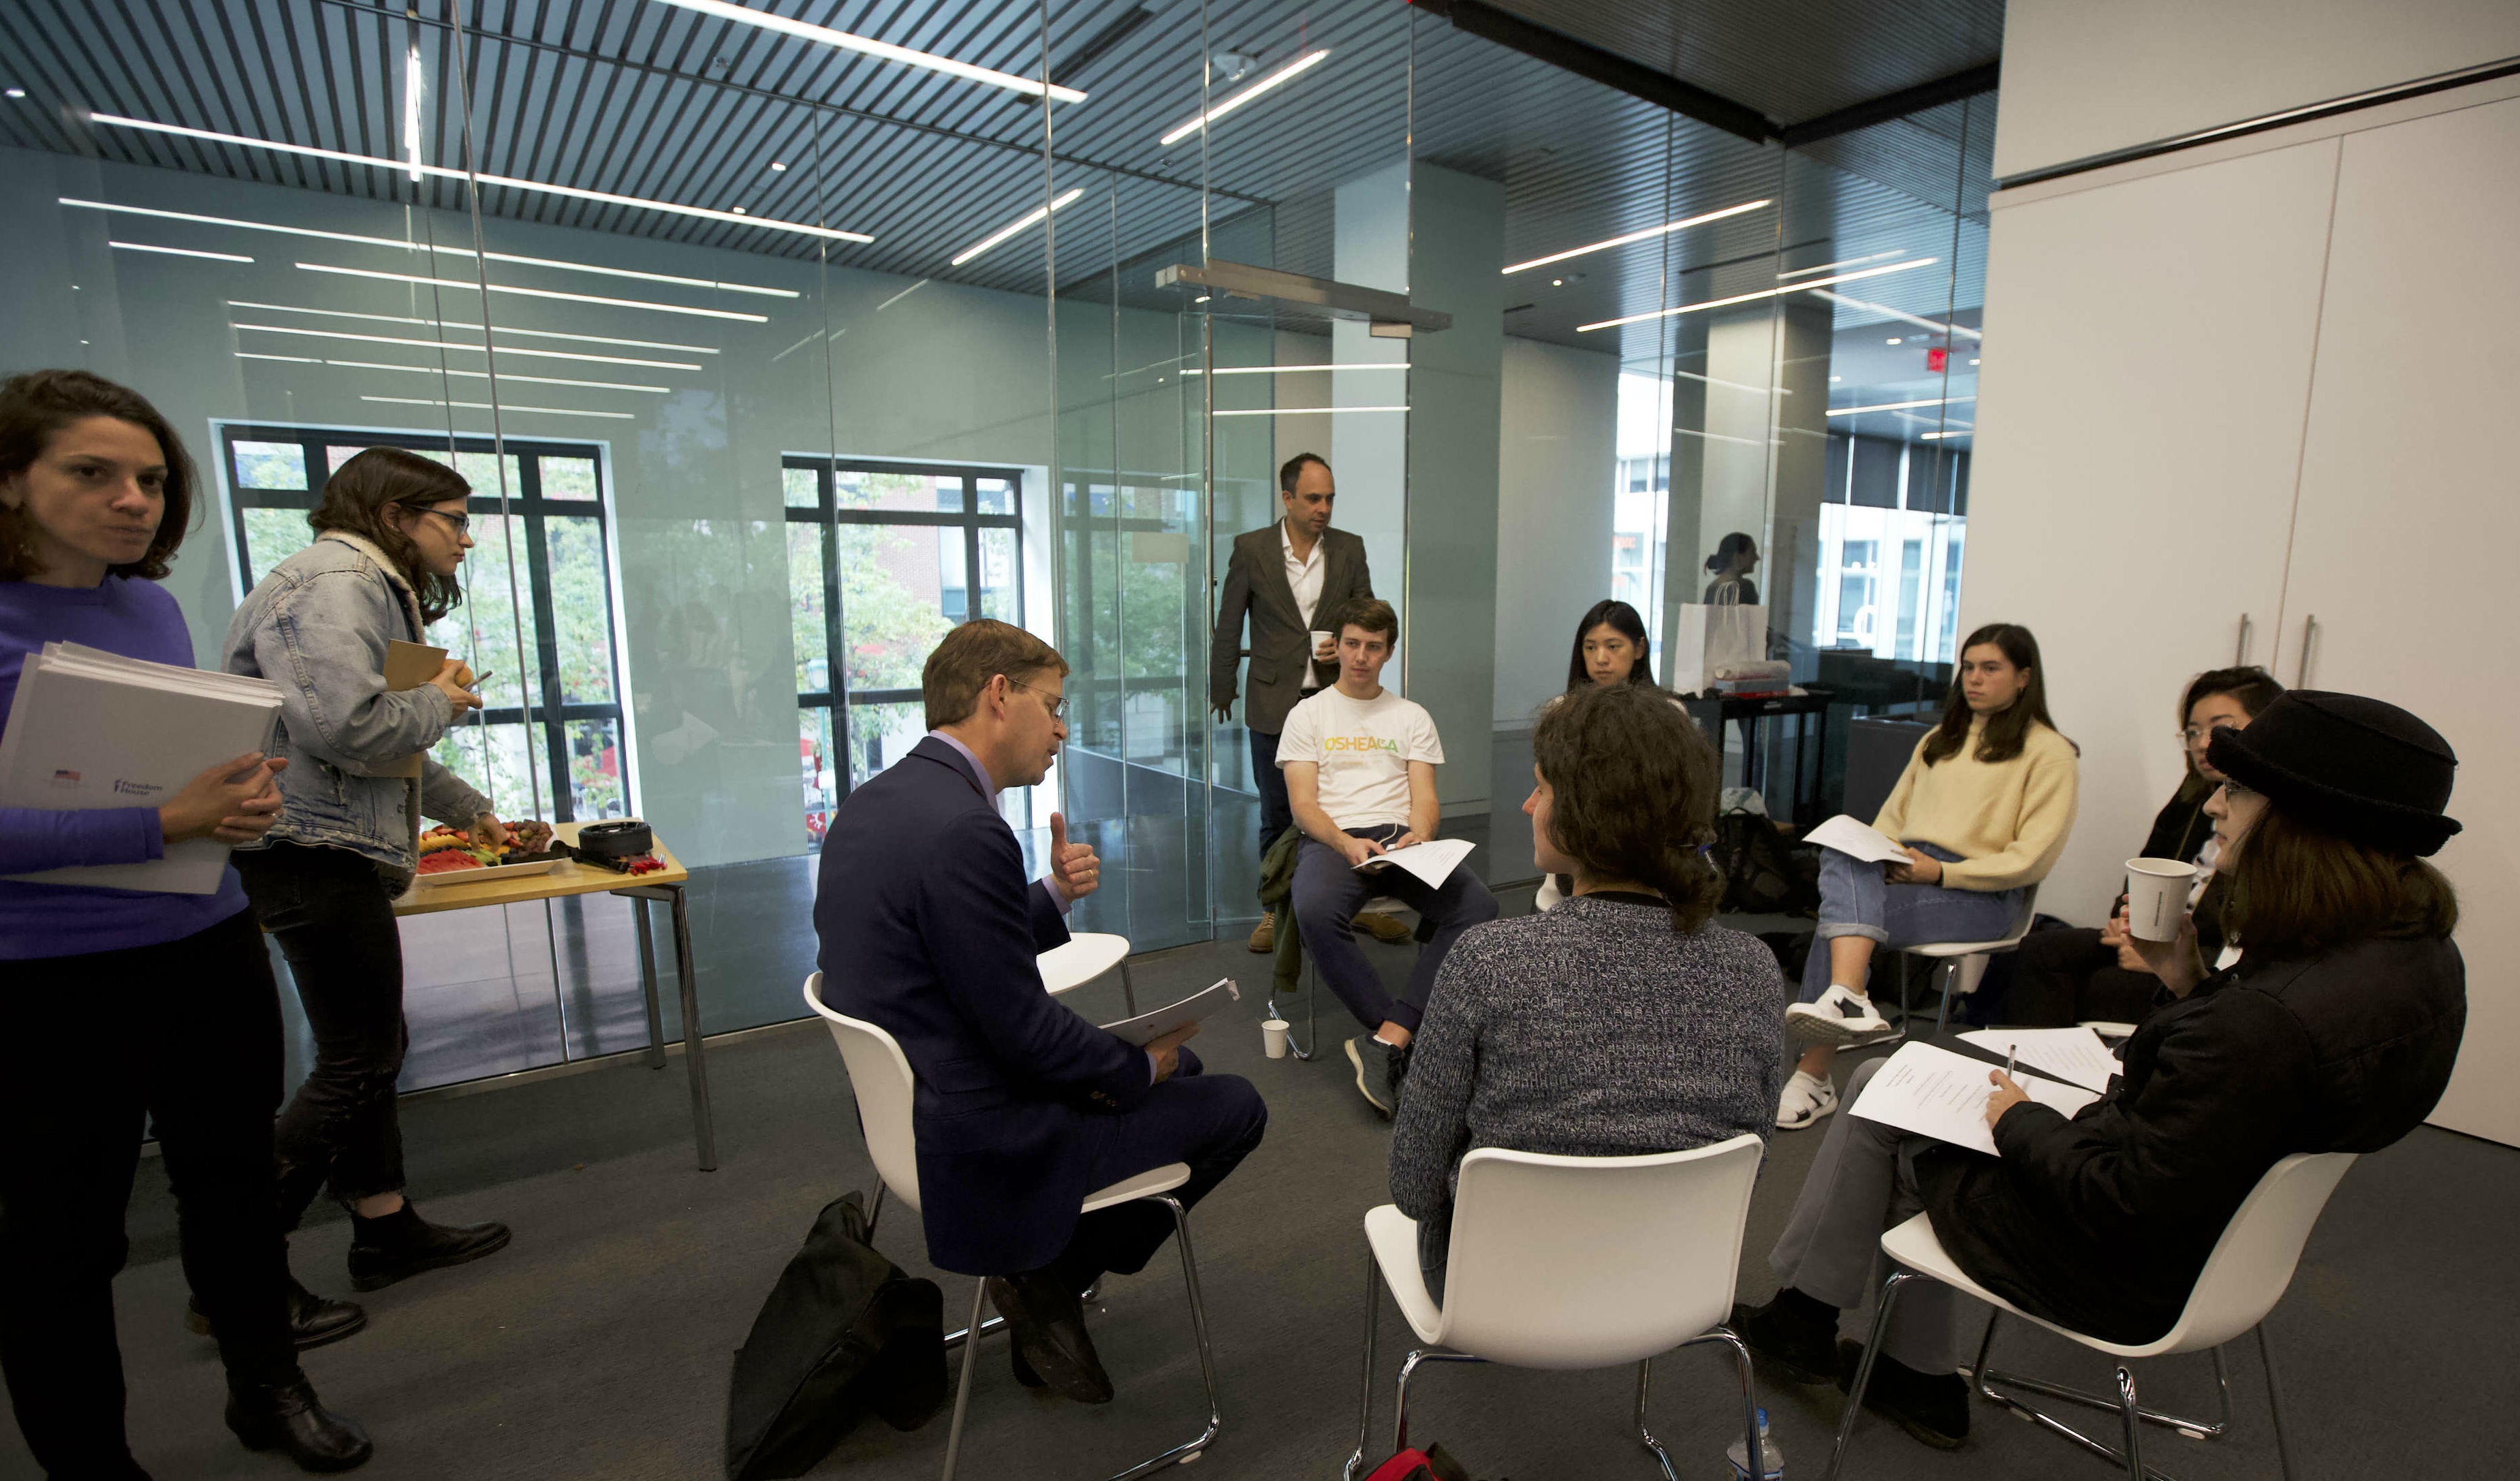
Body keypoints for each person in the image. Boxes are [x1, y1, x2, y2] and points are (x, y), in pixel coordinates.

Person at [1733, 690, 2466, 1451]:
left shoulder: (2263, 1024)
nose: (2214, 804)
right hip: (2223, 1238)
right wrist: (2184, 980)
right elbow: (2247, 1080)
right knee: (1894, 1078)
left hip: (2120, 1268)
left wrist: (2019, 1118)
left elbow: (2115, 1197)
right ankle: (1862, 1347)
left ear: (2304, 824)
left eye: (2237, 790)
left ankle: (1823, 1327)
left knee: (1884, 1091)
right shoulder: (2417, 961)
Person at [0, 369, 371, 1476]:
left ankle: (268, 1389)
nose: (132, 498)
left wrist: (230, 799)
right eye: (93, 472)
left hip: (201, 939)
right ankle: (89, 1457)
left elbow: (165, 769)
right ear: (11, 479)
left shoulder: (149, 605)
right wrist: (165, 817)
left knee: (233, 1188)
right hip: (47, 974)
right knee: (65, 1237)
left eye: (152, 478)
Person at [813, 619, 1267, 1405]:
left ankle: (1047, 1275)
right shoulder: (967, 827)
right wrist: (1133, 1062)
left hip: (910, 1105)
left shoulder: (878, 801)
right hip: (983, 1134)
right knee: (1233, 1103)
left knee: (1178, 1067)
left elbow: (946, 947)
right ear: (999, 694)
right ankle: (1048, 1272)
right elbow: (1023, 1031)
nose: (1061, 727)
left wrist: (1050, 895)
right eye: (1053, 704)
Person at [224, 448, 534, 1309]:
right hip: (307, 850)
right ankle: (235, 1273)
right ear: (397, 515)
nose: (467, 539)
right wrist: (446, 695)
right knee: (360, 1055)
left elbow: (386, 742)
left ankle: (384, 1224)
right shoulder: (336, 582)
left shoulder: (366, 585)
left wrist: (466, 805)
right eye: (455, 519)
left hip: (324, 846)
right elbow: (351, 727)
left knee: (369, 1045)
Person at [1389, 683, 1784, 1300]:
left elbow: (1413, 1188)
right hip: (1677, 1283)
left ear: (1588, 813)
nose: (1527, 806)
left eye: (1542, 788)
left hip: (1495, 1287)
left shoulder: (1488, 960)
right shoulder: (1755, 970)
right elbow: (1752, 1167)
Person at [1778, 623, 2077, 1129]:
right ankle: (1845, 1000)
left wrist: (1941, 873)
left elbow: (2032, 859)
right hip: (1912, 870)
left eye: (1991, 668)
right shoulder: (1941, 741)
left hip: (1983, 893)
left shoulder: (2050, 752)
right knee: (1842, 852)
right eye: (1969, 667)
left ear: (2025, 678)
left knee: (1840, 926)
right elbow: (1890, 820)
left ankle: (1814, 1072)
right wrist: (1883, 857)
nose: (1974, 679)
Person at [1282, 597, 1501, 1115]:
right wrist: (1343, 842)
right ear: (1337, 647)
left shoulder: (1411, 716)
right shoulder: (1307, 714)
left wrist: (1420, 835)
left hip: (1403, 839)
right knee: (1313, 908)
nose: (1361, 656)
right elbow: (1302, 805)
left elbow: (1424, 797)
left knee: (1480, 907)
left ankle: (1385, 1043)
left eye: (1373, 647)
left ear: (1389, 652)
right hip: (1334, 838)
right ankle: (1395, 1034)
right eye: (1352, 644)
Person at [2003, 667, 2284, 1027]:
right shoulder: (2189, 801)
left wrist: (2180, 959)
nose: (2201, 743)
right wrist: (2126, 924)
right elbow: (2145, 868)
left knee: (2108, 985)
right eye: (2193, 732)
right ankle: (2032, 1067)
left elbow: (2256, 948)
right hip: (2155, 937)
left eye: (2219, 727)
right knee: (2043, 950)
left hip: (2206, 959)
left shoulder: (2274, 817)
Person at [1208, 452, 1392, 954]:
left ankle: (1352, 907)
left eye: (1330, 498)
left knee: (1347, 808)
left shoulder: (1349, 549)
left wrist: (1350, 642)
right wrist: (1220, 686)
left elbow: (1367, 613)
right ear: (1287, 498)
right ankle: (1274, 909)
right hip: (1273, 700)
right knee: (1278, 813)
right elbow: (1229, 626)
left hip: (1337, 698)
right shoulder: (1252, 549)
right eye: (1313, 498)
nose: (1324, 508)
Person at [1562, 597, 1656, 691]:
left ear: (1639, 649)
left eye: (1612, 646)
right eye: (1590, 648)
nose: (1601, 660)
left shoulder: (1663, 705)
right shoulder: (1563, 705)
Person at [1702, 532, 1759, 606]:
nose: (1757, 558)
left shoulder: (1710, 589)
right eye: (1753, 552)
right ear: (1737, 557)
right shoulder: (1745, 588)